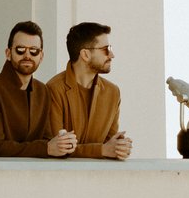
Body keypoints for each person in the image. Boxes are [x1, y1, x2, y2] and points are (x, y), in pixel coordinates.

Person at [0, 21, 78, 158]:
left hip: (28, 174)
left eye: (34, 51)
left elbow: (47, 139)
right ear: (8, 53)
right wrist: (46, 148)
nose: (27, 56)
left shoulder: (43, 91)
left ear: (41, 56)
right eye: (20, 49)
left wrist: (62, 145)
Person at [46, 21, 132, 159]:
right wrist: (102, 150)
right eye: (106, 49)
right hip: (62, 177)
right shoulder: (53, 89)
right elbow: (58, 148)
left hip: (100, 177)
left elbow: (110, 145)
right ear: (85, 54)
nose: (112, 55)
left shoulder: (113, 92)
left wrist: (119, 148)